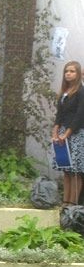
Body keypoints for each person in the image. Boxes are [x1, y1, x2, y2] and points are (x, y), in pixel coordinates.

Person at [52, 61, 84, 206]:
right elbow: (59, 114)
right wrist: (55, 131)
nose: (68, 74)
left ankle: (73, 204)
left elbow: (79, 115)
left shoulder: (81, 91)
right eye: (66, 71)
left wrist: (67, 133)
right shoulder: (64, 92)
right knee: (66, 168)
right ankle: (65, 202)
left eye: (72, 71)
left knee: (75, 170)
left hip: (76, 133)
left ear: (78, 74)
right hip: (62, 133)